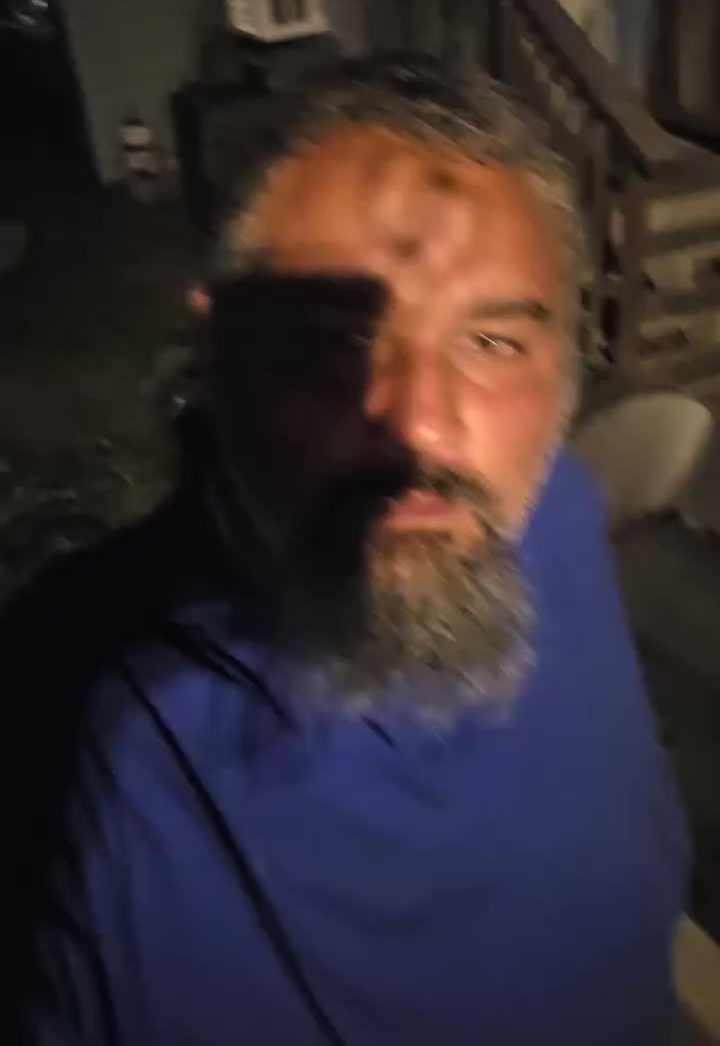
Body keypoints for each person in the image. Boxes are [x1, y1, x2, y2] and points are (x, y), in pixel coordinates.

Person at [4, 56, 688, 1045]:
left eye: (491, 343)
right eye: (333, 342)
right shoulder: (73, 725)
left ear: (565, 370)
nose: (418, 428)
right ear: (216, 360)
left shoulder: (562, 515)